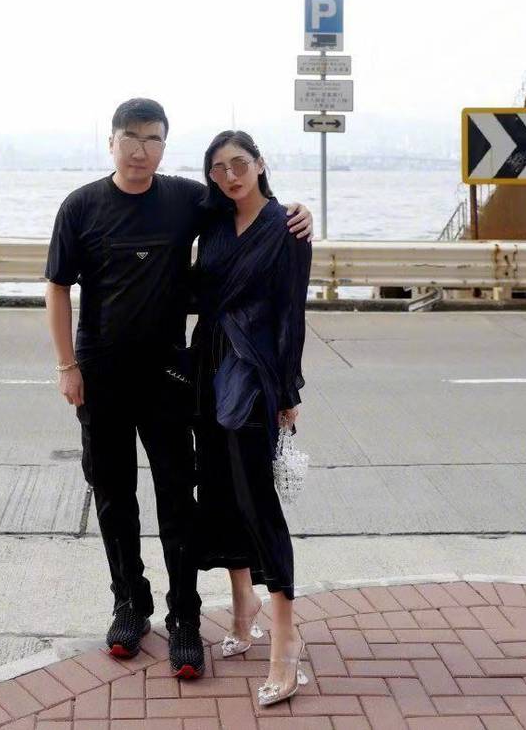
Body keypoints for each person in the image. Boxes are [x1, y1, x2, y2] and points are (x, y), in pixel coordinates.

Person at [44, 98, 312, 679]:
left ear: (164, 146)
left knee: (176, 497)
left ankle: (184, 616)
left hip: (168, 375)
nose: (140, 150)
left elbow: (243, 202)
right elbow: (57, 286)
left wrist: (297, 211)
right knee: (113, 494)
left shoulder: (187, 198)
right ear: (111, 141)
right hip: (101, 374)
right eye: (130, 137)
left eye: (153, 139)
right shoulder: (80, 206)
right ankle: (129, 605)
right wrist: (67, 366)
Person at [191, 129, 312, 706]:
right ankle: (243, 606)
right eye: (218, 168)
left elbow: (291, 314)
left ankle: (285, 635)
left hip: (253, 373)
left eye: (239, 164)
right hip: (207, 366)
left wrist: (287, 389)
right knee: (218, 490)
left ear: (261, 164)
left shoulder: (287, 228)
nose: (230, 176)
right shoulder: (213, 224)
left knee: (257, 498)